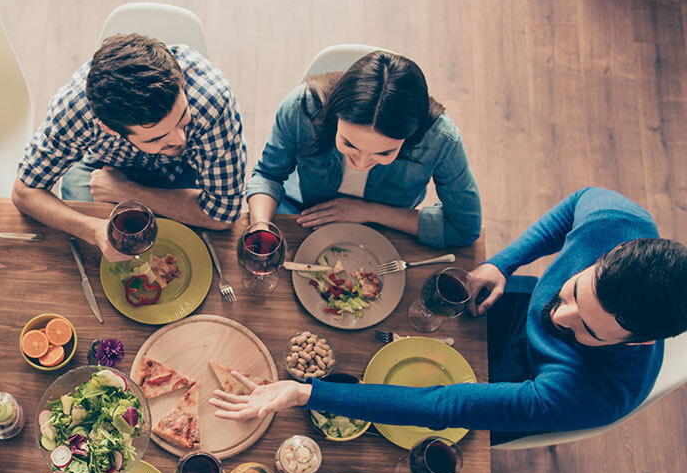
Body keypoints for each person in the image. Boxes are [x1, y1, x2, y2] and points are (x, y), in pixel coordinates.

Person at [212, 187, 687, 443]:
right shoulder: (619, 223)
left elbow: (445, 405)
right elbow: (575, 203)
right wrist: (504, 262)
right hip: (506, 309)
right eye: (572, 293)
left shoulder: (590, 395)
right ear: (609, 253)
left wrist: (304, 392)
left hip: (537, 386)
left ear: (638, 341)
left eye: (587, 328)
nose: (558, 318)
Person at [12, 33, 247, 260]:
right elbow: (25, 192)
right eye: (157, 138)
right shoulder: (75, 109)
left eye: (183, 118)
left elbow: (223, 215)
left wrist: (128, 192)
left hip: (181, 171)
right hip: (101, 168)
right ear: (110, 128)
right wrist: (93, 229)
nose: (180, 140)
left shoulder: (214, 102)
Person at [245, 50, 481, 249]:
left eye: (383, 153)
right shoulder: (301, 108)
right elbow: (268, 175)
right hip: (299, 210)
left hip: (385, 230)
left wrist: (370, 212)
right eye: (349, 144)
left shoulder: (441, 140)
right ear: (334, 115)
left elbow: (464, 228)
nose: (359, 163)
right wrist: (260, 225)